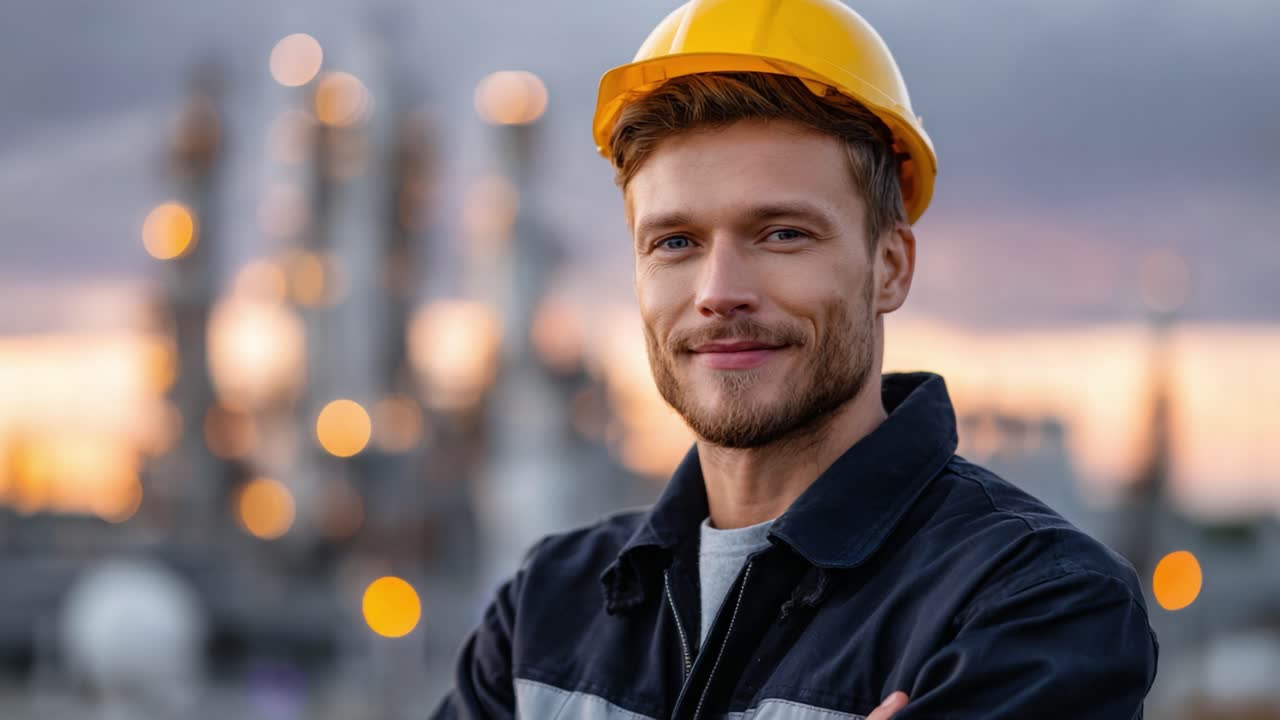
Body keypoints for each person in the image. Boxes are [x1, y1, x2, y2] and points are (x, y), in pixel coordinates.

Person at [433, 0, 1158, 717]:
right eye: (675, 242)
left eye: (781, 234)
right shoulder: (544, 610)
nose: (720, 294)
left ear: (891, 268)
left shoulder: (1034, 604)